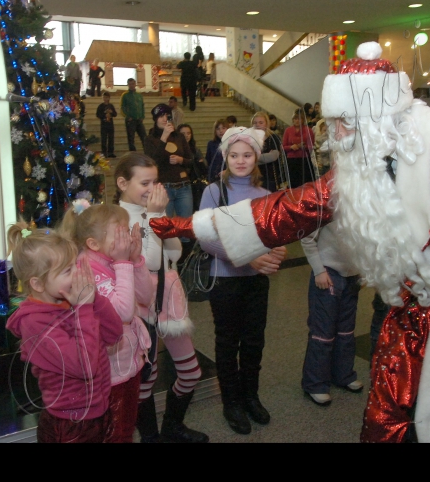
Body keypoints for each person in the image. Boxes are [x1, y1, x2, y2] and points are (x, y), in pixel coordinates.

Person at [151, 41, 430, 444]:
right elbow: (287, 210)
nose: (334, 132)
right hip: (411, 315)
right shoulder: (357, 167)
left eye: (342, 121)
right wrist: (192, 226)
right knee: (386, 419)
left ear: (376, 114)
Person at [113, 153, 208, 443]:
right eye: (145, 182)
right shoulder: (118, 219)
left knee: (190, 373)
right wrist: (156, 217)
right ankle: (151, 436)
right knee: (146, 380)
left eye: (156, 181)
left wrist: (158, 218)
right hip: (141, 304)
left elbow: (175, 253)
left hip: (168, 298)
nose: (153, 188)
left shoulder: (152, 212)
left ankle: (172, 426)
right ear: (122, 183)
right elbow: (150, 263)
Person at [199, 127, 287, 434]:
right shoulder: (213, 192)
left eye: (247, 155)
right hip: (225, 281)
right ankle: (231, 402)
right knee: (227, 343)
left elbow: (273, 234)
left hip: (255, 281)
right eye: (234, 155)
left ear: (256, 158)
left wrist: (277, 250)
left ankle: (251, 396)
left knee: (253, 341)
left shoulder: (264, 195)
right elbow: (206, 239)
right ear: (225, 157)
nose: (240, 161)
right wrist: (247, 257)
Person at [5, 222, 123, 443]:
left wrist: (94, 298)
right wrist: (85, 308)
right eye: (68, 270)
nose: (78, 274)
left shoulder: (70, 301)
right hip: (71, 423)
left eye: (76, 265)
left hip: (98, 409)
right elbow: (84, 367)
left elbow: (114, 334)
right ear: (38, 284)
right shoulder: (35, 323)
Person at [60, 200, 153, 443]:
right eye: (119, 234)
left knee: (126, 425)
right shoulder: (89, 270)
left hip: (127, 363)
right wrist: (124, 263)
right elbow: (122, 313)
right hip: (110, 372)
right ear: (94, 244)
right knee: (116, 431)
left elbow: (144, 297)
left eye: (126, 231)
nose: (126, 239)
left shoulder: (113, 261)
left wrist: (134, 260)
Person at [301, 223, 363, 405]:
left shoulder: (364, 203)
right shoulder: (327, 201)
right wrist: (319, 270)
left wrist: (364, 271)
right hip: (328, 274)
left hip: (352, 276)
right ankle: (315, 383)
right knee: (322, 333)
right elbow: (307, 237)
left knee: (346, 331)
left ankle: (343, 374)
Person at [143, 103, 194, 226]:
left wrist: (180, 160)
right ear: (155, 119)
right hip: (163, 188)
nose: (165, 119)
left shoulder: (179, 137)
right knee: (165, 225)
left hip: (183, 186)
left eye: (167, 116)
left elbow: (191, 160)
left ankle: (185, 245)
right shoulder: (150, 139)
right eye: (161, 116)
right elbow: (153, 162)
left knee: (186, 225)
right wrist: (164, 137)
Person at [282, 109, 315, 188]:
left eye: (299, 119)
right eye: (295, 119)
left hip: (304, 160)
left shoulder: (308, 130)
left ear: (303, 120)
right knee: (293, 183)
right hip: (292, 160)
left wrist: (304, 146)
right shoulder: (288, 130)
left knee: (306, 183)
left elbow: (312, 146)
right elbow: (283, 147)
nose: (297, 121)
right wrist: (291, 147)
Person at [252, 111, 284, 192]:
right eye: (255, 123)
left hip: (270, 177)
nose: (257, 125)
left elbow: (273, 156)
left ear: (266, 124)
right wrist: (263, 157)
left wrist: (254, 157)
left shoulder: (273, 137)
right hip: (254, 177)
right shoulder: (250, 139)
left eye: (261, 122)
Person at [178, 123, 208, 211]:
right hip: (180, 183)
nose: (186, 136)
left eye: (188, 133)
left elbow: (204, 165)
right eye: (183, 134)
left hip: (194, 183)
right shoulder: (175, 149)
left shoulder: (195, 149)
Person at [120, 77, 147, 152]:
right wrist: (127, 116)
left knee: (144, 137)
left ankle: (147, 152)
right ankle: (133, 154)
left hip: (139, 120)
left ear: (135, 84)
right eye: (130, 84)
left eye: (133, 84)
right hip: (130, 120)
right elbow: (122, 107)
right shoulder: (125, 95)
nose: (132, 85)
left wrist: (142, 116)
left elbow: (142, 106)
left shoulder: (139, 95)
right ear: (128, 85)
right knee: (131, 139)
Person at [96, 91, 117, 158]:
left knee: (111, 138)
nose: (105, 99)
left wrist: (111, 112)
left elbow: (115, 114)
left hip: (110, 124)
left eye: (106, 97)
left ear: (109, 98)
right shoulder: (101, 106)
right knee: (104, 139)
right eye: (104, 97)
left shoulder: (111, 106)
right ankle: (104, 152)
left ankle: (110, 152)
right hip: (104, 124)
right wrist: (104, 114)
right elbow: (98, 114)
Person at [207, 118, 228, 183]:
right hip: (214, 175)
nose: (221, 131)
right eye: (218, 129)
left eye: (223, 128)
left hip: (228, 175)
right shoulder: (211, 143)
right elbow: (209, 159)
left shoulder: (232, 143)